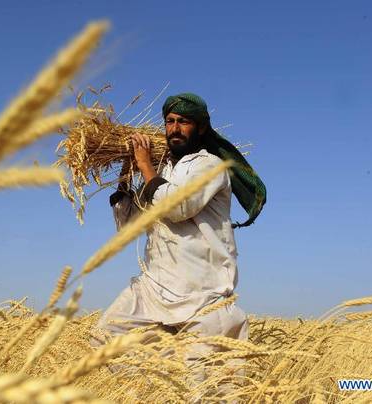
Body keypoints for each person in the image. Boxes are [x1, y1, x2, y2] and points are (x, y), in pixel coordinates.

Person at [91, 93, 264, 397]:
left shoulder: (210, 166)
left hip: (203, 293)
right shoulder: (162, 170)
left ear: (200, 128)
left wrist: (145, 167)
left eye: (183, 122)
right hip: (156, 287)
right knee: (106, 337)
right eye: (170, 121)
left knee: (207, 389)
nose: (174, 128)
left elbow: (178, 206)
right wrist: (125, 174)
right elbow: (130, 225)